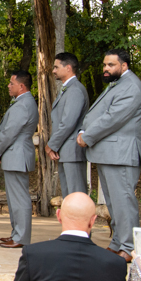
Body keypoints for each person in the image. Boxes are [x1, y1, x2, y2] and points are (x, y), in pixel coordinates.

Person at [77, 49, 141, 261]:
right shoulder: (117, 84)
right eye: (105, 65)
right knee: (114, 203)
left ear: (124, 66)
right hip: (111, 154)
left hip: (122, 154)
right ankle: (118, 242)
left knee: (123, 202)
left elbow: (112, 118)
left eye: (111, 65)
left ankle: (128, 247)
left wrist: (87, 136)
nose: (106, 68)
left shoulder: (132, 87)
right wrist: (83, 129)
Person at [0, 71, 39, 249]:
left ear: (22, 86)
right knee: (14, 198)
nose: (8, 86)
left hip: (16, 153)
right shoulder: (25, 102)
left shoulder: (23, 104)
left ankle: (21, 237)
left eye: (12, 83)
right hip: (16, 154)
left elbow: (10, 132)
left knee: (19, 198)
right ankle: (16, 233)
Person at [45, 52, 89, 195]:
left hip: (73, 151)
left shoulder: (75, 90)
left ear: (68, 68)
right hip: (66, 151)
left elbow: (68, 123)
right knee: (68, 196)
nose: (53, 70)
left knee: (76, 196)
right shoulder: (67, 89)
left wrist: (52, 144)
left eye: (56, 67)